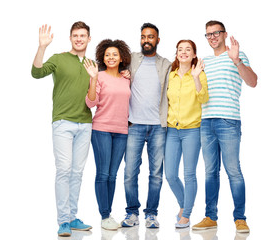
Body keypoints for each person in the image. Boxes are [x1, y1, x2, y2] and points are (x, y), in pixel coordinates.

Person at [192, 20, 257, 233]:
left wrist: (237, 60)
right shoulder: (204, 62)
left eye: (216, 33)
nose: (212, 37)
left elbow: (253, 81)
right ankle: (210, 217)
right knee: (210, 172)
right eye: (208, 34)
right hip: (206, 121)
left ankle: (240, 218)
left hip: (228, 120)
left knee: (233, 171)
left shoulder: (236, 56)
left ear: (224, 34)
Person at [31, 22, 93, 237]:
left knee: (77, 172)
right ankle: (63, 221)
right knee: (64, 170)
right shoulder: (58, 59)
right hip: (63, 123)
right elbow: (36, 73)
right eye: (75, 35)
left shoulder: (92, 63)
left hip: (85, 123)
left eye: (83, 35)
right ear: (70, 38)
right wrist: (42, 47)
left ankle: (73, 217)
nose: (79, 39)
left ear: (89, 39)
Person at [121, 23, 171, 229]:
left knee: (156, 174)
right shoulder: (131, 59)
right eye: (143, 36)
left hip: (158, 126)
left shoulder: (167, 64)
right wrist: (123, 73)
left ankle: (151, 214)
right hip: (134, 125)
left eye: (151, 37)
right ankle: (132, 213)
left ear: (158, 40)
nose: (146, 40)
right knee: (130, 172)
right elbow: (108, 62)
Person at [84, 39, 131, 230]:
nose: (111, 57)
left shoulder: (127, 78)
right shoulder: (99, 76)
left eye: (115, 55)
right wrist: (93, 78)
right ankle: (105, 216)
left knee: (113, 175)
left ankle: (108, 214)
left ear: (121, 58)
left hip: (122, 131)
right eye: (107, 55)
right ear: (103, 57)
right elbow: (90, 103)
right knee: (103, 174)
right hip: (101, 129)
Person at [164, 40, 209, 228]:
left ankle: (186, 214)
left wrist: (197, 77)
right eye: (180, 50)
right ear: (176, 54)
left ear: (193, 54)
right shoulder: (171, 75)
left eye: (187, 50)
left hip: (192, 129)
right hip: (172, 130)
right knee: (170, 175)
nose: (183, 52)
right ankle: (184, 205)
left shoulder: (200, 74)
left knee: (189, 174)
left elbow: (204, 98)